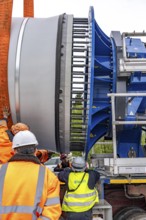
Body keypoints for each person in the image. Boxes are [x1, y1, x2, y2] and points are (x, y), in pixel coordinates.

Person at [0, 130, 62, 220]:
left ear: (13, 151)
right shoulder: (48, 176)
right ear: (36, 151)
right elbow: (51, 212)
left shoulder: (1, 170)